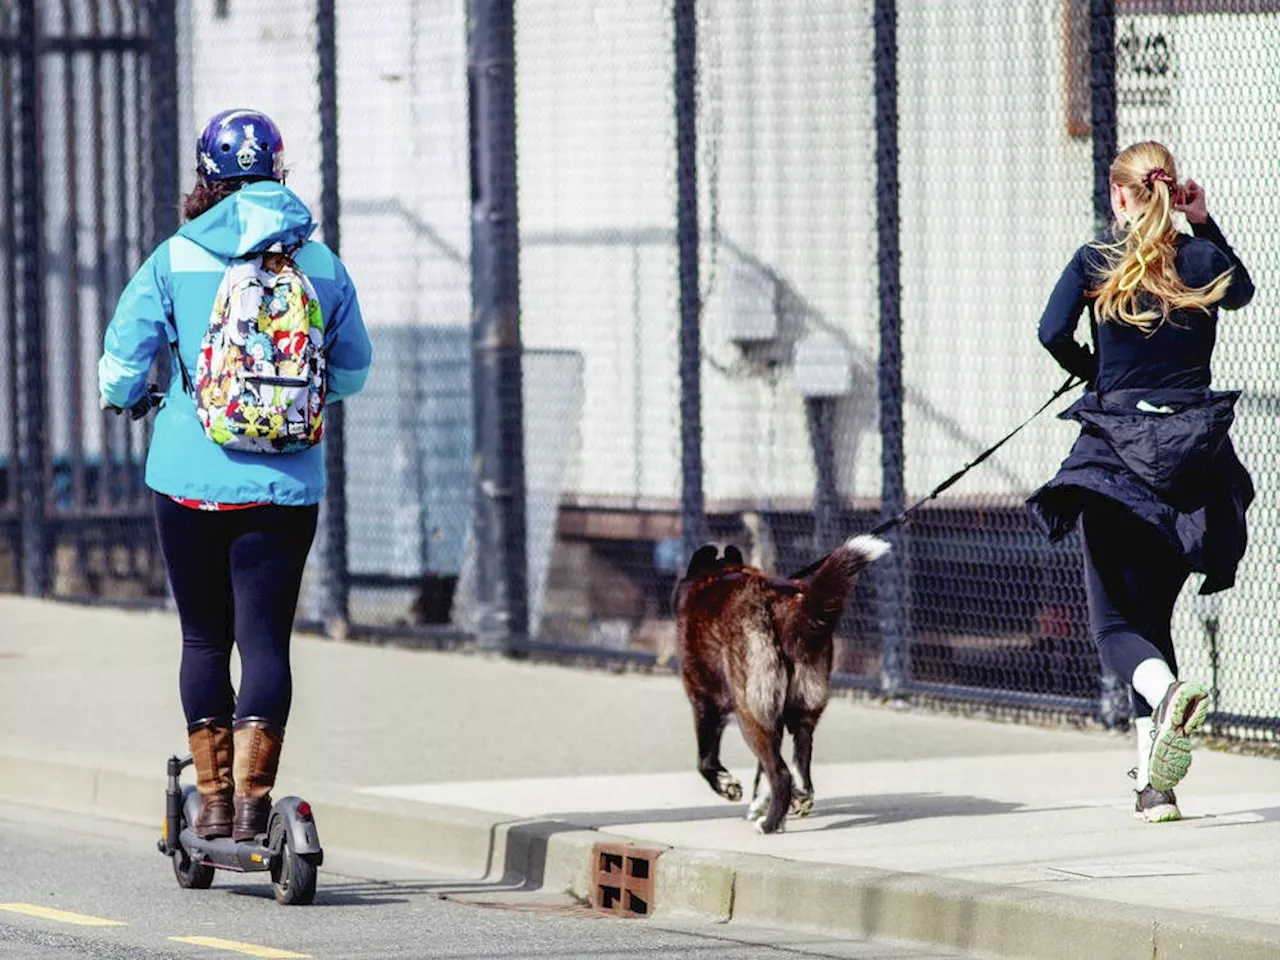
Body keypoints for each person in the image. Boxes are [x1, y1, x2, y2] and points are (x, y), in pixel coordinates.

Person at [98, 109, 372, 841]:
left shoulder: (176, 257)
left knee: (203, 640)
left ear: (205, 177)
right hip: (285, 486)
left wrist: (128, 395)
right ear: (280, 172)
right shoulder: (319, 262)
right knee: (266, 641)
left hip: (188, 478)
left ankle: (212, 803)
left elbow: (124, 363)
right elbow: (352, 370)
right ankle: (257, 801)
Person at [1028, 140, 1254, 823]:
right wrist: (1205, 222)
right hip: (1193, 458)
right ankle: (1155, 787)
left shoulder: (1098, 259)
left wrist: (1092, 368)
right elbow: (1241, 291)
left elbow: (1049, 331)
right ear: (1171, 192)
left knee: (1115, 626)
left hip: (1117, 456)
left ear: (1120, 196)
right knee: (1151, 620)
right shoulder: (1201, 258)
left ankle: (1166, 699)